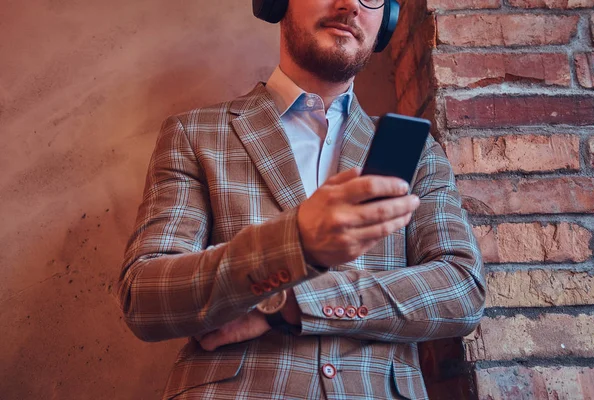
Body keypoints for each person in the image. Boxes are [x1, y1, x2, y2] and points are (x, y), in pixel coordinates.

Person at [117, 0, 486, 399]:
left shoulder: (418, 153)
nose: (349, 5)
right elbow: (145, 298)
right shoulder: (195, 134)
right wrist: (293, 244)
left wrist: (293, 304)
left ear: (389, 18)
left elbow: (461, 290)